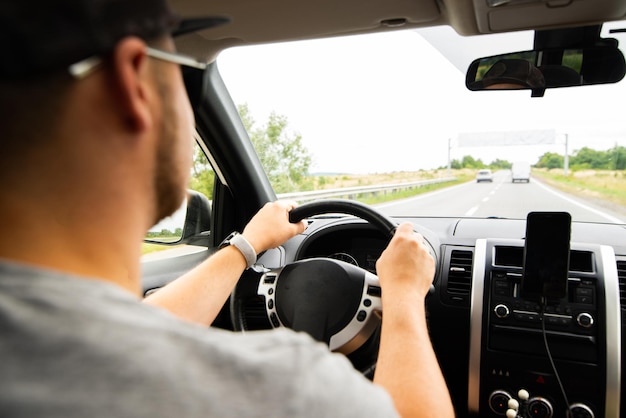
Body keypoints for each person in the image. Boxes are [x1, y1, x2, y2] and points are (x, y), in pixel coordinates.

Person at [0, 1, 454, 417]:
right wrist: (403, 297)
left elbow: (138, 329)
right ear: (133, 85)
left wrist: (247, 245)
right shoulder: (288, 391)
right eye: (189, 79)